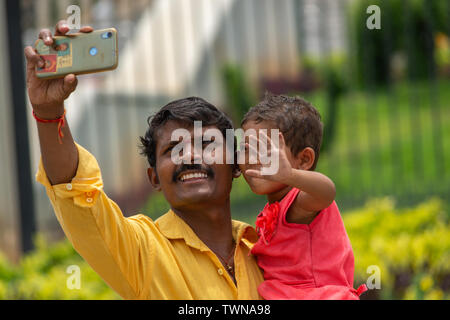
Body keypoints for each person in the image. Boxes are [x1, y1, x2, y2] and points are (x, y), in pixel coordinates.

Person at [24, 20, 263, 300]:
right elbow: (75, 194)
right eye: (173, 149)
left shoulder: (267, 248)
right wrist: (49, 112)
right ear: (154, 178)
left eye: (206, 144)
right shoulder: (141, 250)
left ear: (235, 164)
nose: (189, 156)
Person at [239, 93, 367, 300]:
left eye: (265, 150)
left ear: (304, 160)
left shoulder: (299, 203)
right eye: (246, 149)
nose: (252, 158)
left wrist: (289, 175)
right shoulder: (275, 207)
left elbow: (327, 192)